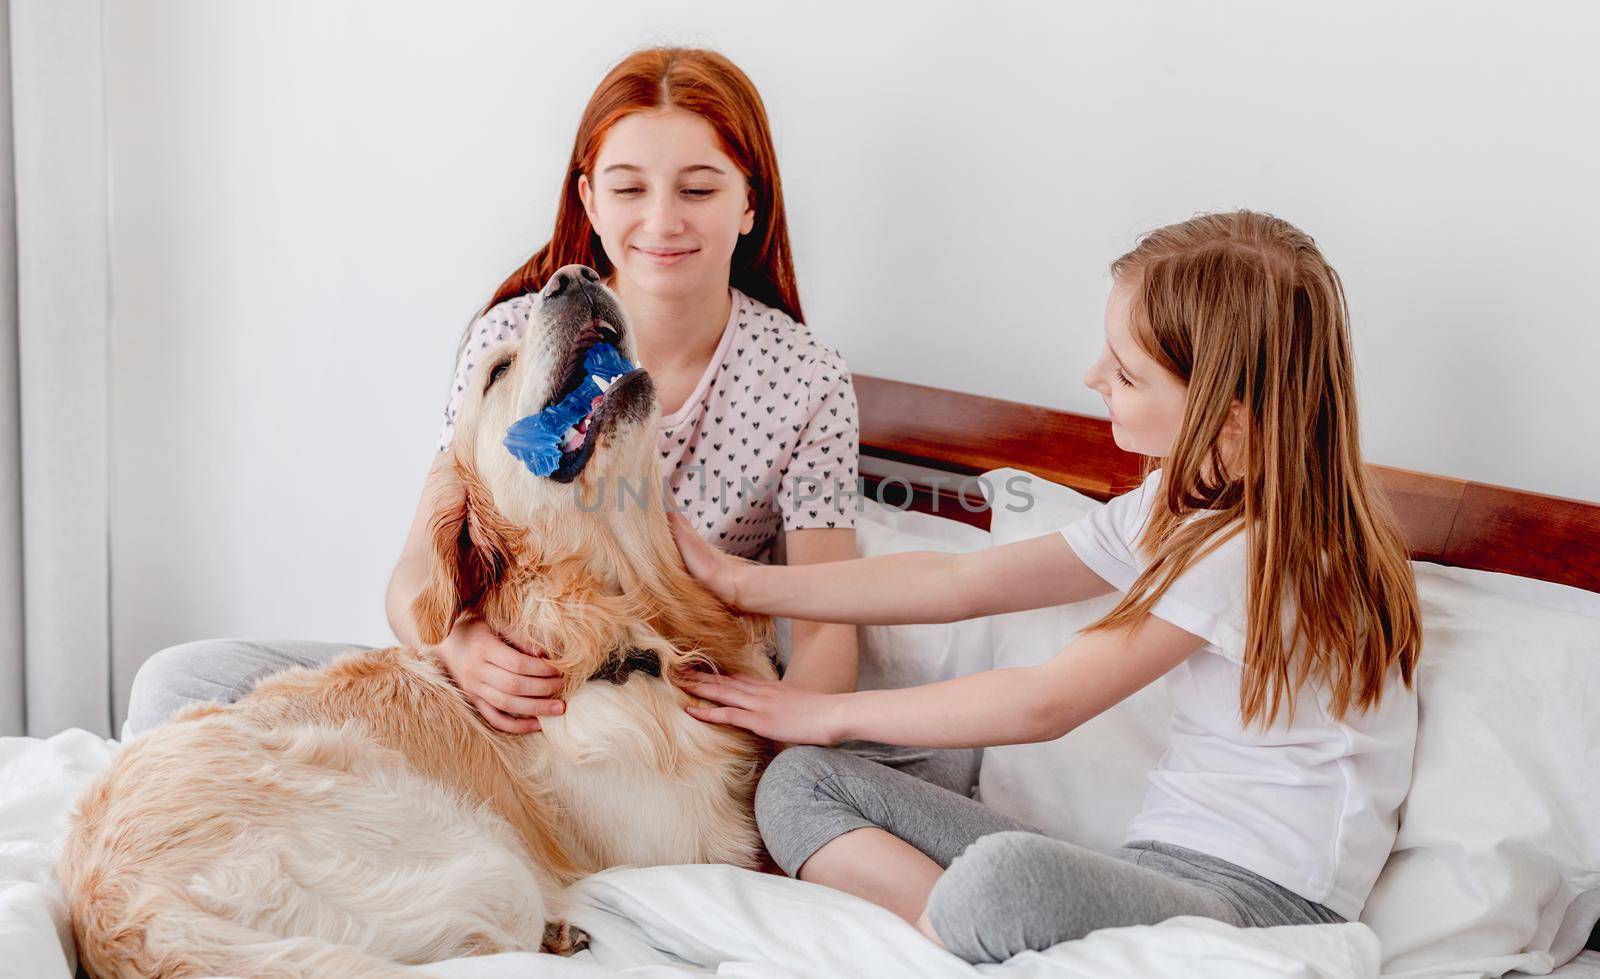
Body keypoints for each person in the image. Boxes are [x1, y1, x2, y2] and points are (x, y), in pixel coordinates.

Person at [669, 210, 1423, 964]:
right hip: (1154, 872)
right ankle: (961, 939)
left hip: (1258, 908)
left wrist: (828, 711)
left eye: (1126, 374)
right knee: (801, 782)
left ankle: (951, 937)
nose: (1093, 376)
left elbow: (1046, 701)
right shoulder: (1183, 502)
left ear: (1227, 421)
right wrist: (739, 580)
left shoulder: (1255, 550)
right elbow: (958, 580)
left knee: (1003, 880)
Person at [122, 47, 861, 741]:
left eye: (698, 188)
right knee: (176, 683)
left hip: (659, 714)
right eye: (629, 188)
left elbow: (830, 625)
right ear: (590, 202)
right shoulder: (515, 337)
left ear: (749, 205)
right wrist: (461, 644)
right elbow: (417, 568)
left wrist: (774, 738)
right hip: (506, 688)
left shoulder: (805, 379)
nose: (662, 219)